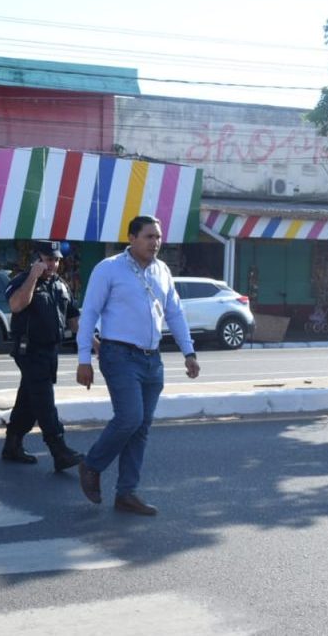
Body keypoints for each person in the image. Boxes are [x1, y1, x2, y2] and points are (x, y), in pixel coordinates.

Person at [76, 215, 201, 516]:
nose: (155, 242)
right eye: (148, 236)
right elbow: (89, 313)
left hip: (151, 359)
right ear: (131, 238)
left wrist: (189, 352)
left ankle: (126, 493)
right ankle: (91, 465)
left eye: (158, 237)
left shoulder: (162, 271)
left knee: (141, 427)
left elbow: (175, 313)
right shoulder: (109, 269)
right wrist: (83, 359)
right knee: (130, 418)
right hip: (118, 355)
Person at [1, 240, 83, 471]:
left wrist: (92, 342)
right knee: (44, 400)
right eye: (48, 260)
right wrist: (33, 277)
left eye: (56, 260)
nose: (53, 265)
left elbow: (74, 319)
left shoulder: (61, 286)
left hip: (50, 350)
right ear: (37, 259)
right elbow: (17, 305)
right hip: (29, 350)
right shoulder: (22, 282)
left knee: (28, 400)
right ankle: (59, 450)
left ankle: (12, 445)